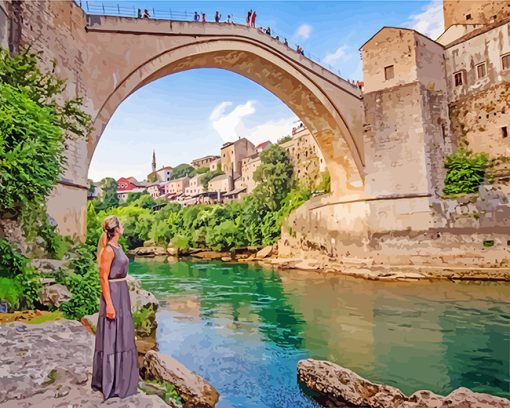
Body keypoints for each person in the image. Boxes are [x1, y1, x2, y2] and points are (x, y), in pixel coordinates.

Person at [91, 216, 139, 401]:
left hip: (122, 293)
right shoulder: (108, 251)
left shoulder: (118, 248)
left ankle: (124, 379)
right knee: (112, 336)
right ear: (116, 229)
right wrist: (109, 304)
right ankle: (111, 383)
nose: (123, 227)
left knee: (124, 334)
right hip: (112, 294)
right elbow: (103, 278)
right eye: (121, 224)